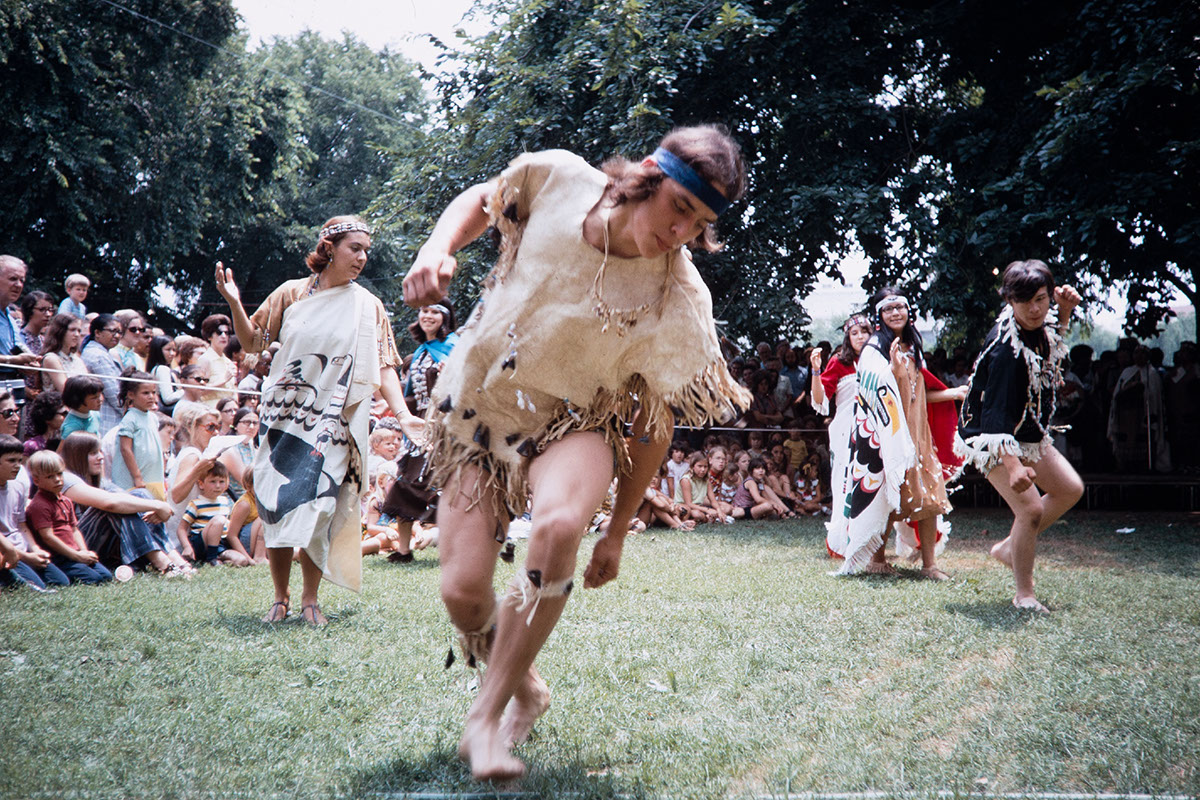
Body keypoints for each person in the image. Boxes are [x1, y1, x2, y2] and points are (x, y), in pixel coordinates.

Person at [403, 124, 749, 779]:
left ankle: (487, 718)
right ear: (650, 172)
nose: (681, 233)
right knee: (462, 592)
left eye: (698, 223)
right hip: (480, 407)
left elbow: (653, 424)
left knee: (561, 527)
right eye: (679, 206)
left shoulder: (678, 296)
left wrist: (616, 531)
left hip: (575, 422)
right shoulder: (559, 178)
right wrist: (437, 246)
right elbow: (483, 198)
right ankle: (526, 685)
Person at [215, 215, 423, 626]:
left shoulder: (368, 306)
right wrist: (235, 304)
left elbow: (384, 367)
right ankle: (280, 597)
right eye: (355, 248)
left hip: (334, 421)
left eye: (366, 250)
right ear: (329, 248)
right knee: (276, 505)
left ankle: (310, 598)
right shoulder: (291, 293)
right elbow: (253, 343)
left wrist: (404, 414)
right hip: (283, 416)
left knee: (321, 506)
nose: (363, 258)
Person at [956, 259, 1083, 613]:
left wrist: (1065, 310)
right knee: (1028, 510)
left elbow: (1052, 340)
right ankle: (1024, 593)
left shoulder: (1039, 323)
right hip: (986, 434)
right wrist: (1012, 467)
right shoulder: (1004, 349)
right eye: (1025, 301)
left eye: (1042, 299)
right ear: (1009, 300)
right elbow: (993, 415)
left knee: (1070, 488)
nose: (1035, 309)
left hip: (1026, 428)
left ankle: (1010, 548)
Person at [835, 288, 966, 579]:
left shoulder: (914, 347)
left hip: (919, 434)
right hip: (887, 436)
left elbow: (918, 395)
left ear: (908, 311)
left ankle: (929, 565)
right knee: (885, 494)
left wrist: (950, 394)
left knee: (931, 498)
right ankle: (877, 560)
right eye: (888, 308)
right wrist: (893, 371)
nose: (895, 313)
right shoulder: (873, 349)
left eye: (900, 307)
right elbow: (873, 398)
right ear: (879, 315)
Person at [379, 299, 459, 563]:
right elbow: (410, 395)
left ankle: (457, 547)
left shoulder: (456, 348)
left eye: (435, 311)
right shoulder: (420, 353)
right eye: (424, 310)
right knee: (407, 482)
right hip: (420, 427)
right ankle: (403, 550)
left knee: (452, 486)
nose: (428, 315)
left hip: (450, 425)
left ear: (445, 317)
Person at [57, 432, 191, 577]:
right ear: (78, 456)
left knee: (139, 495)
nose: (101, 457)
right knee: (112, 506)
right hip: (75, 547)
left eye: (100, 451)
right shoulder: (65, 479)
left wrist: (155, 505)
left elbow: (128, 498)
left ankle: (173, 557)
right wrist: (158, 506)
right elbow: (110, 503)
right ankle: (160, 562)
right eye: (93, 453)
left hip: (99, 545)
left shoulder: (98, 480)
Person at [810, 314, 870, 556]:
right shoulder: (839, 361)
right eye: (854, 333)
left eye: (864, 332)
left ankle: (869, 540)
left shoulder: (880, 359)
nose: (859, 337)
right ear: (847, 337)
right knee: (845, 482)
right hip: (846, 429)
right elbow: (820, 400)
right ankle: (841, 542)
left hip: (875, 429)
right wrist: (816, 371)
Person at [26, 450, 113, 584]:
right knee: (94, 579)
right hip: (58, 556)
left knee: (106, 576)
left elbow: (74, 529)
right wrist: (76, 556)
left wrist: (84, 551)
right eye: (50, 477)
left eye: (60, 474)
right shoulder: (40, 505)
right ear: (37, 480)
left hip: (75, 553)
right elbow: (48, 537)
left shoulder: (66, 500)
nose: (57, 479)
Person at [0, 434, 67, 591]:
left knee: (60, 581)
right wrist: (27, 557)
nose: (17, 466)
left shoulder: (18, 486)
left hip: (22, 548)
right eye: (11, 461)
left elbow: (21, 525)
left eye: (19, 460)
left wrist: (35, 549)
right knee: (35, 586)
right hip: (6, 551)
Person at [177, 462, 249, 566]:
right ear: (201, 484)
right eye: (213, 482)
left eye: (221, 481)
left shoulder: (224, 502)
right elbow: (181, 528)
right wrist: (187, 546)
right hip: (201, 543)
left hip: (220, 544)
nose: (218, 486)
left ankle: (220, 559)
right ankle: (211, 559)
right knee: (219, 520)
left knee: (241, 560)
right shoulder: (196, 504)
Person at [112, 370, 166, 499]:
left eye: (153, 392)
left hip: (152, 477)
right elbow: (125, 449)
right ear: (131, 395)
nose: (151, 397)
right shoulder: (130, 419)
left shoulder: (153, 418)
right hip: (135, 481)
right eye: (145, 393)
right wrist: (137, 477)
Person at [80, 314, 124, 434]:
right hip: (107, 421)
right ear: (97, 333)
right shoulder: (97, 355)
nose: (117, 336)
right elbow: (114, 393)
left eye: (120, 332)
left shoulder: (104, 353)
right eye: (113, 331)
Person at [37, 313, 86, 393]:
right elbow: (66, 391)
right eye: (72, 330)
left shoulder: (77, 359)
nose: (77, 334)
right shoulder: (51, 359)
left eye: (79, 331)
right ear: (60, 331)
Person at [195, 315, 237, 406]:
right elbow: (199, 390)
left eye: (227, 333)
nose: (224, 336)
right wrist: (223, 380)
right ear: (209, 336)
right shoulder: (205, 359)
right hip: (210, 409)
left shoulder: (228, 361)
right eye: (219, 333)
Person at [60, 375, 104, 439]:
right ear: (78, 399)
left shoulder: (95, 415)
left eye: (100, 395)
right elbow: (64, 448)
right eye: (94, 398)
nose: (100, 400)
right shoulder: (73, 426)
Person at [22, 390, 64, 457]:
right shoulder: (31, 446)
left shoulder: (67, 442)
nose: (66, 417)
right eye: (63, 413)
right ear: (48, 417)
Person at [147, 336, 183, 413]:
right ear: (158, 351)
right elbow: (168, 398)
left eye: (174, 350)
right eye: (168, 350)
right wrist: (186, 391)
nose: (172, 353)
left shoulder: (156, 368)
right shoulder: (162, 369)